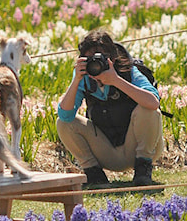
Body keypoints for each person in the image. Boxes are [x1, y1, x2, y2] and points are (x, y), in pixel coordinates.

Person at [57, 30, 165, 190]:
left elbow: (153, 102)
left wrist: (116, 81)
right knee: (63, 123)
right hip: (107, 151)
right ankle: (94, 175)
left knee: (149, 109)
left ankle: (143, 170)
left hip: (137, 148)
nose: (96, 65)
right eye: (90, 60)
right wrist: (76, 80)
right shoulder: (84, 78)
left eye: (100, 59)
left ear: (112, 58)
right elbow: (65, 115)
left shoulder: (129, 71)